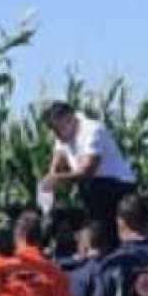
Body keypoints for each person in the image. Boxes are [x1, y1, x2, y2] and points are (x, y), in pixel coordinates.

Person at [41, 102, 138, 240]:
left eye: (57, 129)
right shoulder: (63, 134)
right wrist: (50, 182)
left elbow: (88, 170)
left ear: (69, 119)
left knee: (105, 228)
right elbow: (58, 160)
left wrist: (58, 179)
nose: (56, 134)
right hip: (91, 187)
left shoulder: (92, 130)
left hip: (115, 186)